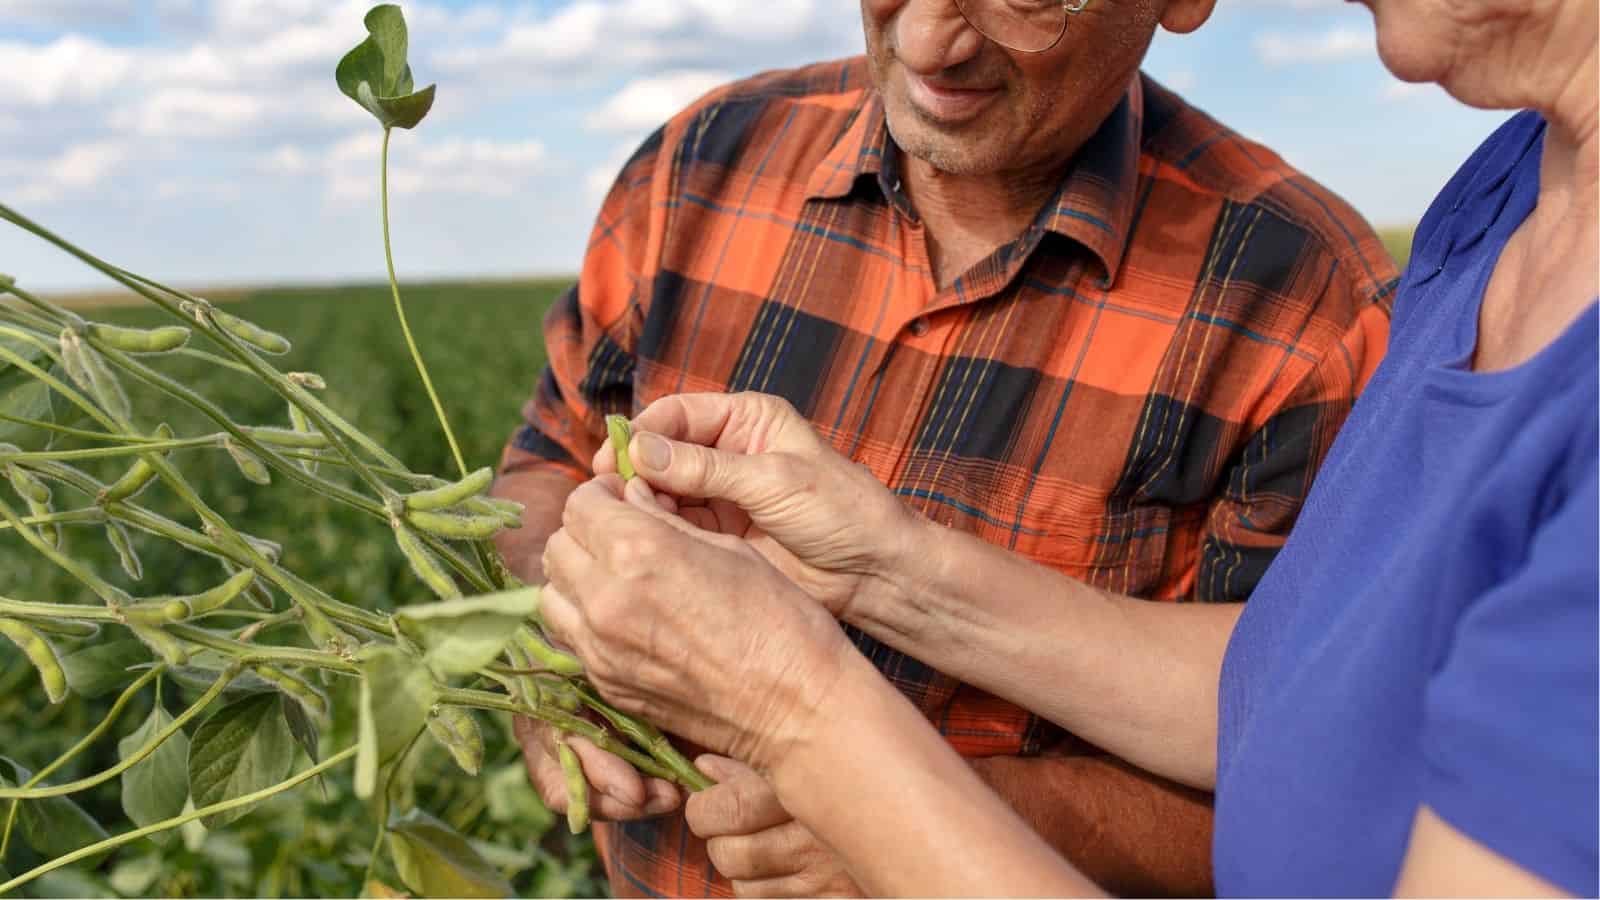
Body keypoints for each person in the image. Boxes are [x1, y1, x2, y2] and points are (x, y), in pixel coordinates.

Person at [532, 0, 1599, 891]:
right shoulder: (1504, 195)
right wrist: (882, 563)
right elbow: (1306, 685)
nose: (932, 43)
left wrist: (816, 737)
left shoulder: (1296, 292)